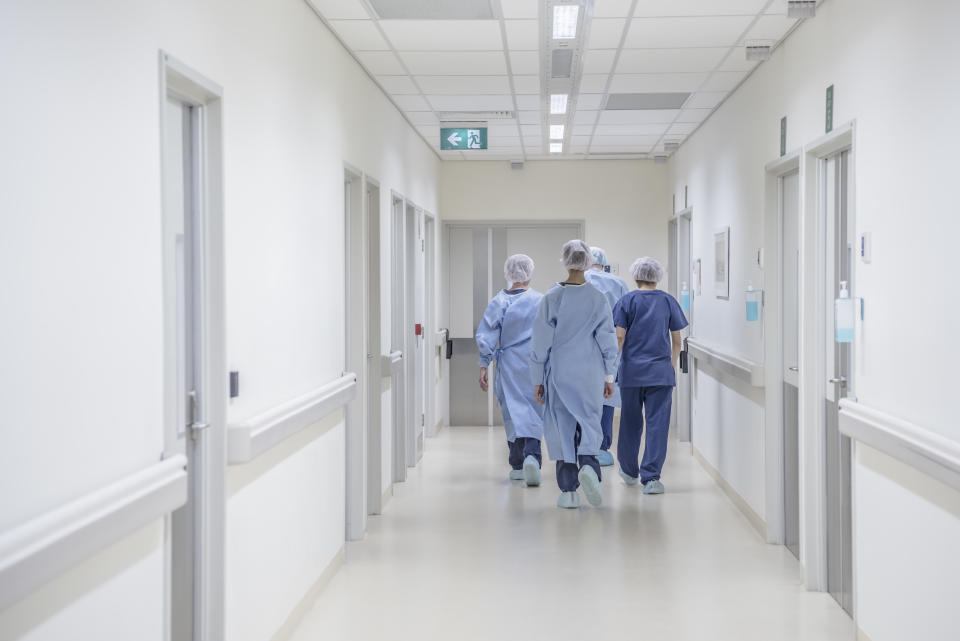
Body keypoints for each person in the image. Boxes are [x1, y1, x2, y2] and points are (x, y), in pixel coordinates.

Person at [530, 240, 618, 509]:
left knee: (563, 427)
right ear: (588, 261)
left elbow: (540, 343)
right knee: (590, 422)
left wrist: (537, 380)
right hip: (590, 373)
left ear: (566, 261)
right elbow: (608, 341)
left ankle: (568, 491)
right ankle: (589, 466)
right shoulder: (597, 298)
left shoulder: (551, 298)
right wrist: (609, 377)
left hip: (559, 373)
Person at [613, 257, 688, 495]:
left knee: (629, 423)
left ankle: (628, 470)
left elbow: (619, 338)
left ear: (636, 276)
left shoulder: (626, 301)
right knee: (658, 425)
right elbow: (677, 341)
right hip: (660, 374)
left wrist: (610, 367)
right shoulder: (668, 301)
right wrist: (671, 366)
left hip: (632, 374)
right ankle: (652, 478)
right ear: (657, 277)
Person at [476, 254, 545, 487]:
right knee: (535, 410)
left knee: (512, 412)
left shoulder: (499, 301)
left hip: (508, 365)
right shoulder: (541, 300)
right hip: (535, 363)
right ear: (530, 273)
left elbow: (486, 336)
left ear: (509, 274)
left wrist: (483, 364)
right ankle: (533, 457)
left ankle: (517, 464)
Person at [585, 246, 629, 467]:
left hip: (580, 349)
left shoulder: (576, 281)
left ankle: (582, 446)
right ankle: (602, 449)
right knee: (607, 394)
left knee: (580, 398)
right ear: (604, 263)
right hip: (611, 348)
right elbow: (627, 319)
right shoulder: (618, 284)